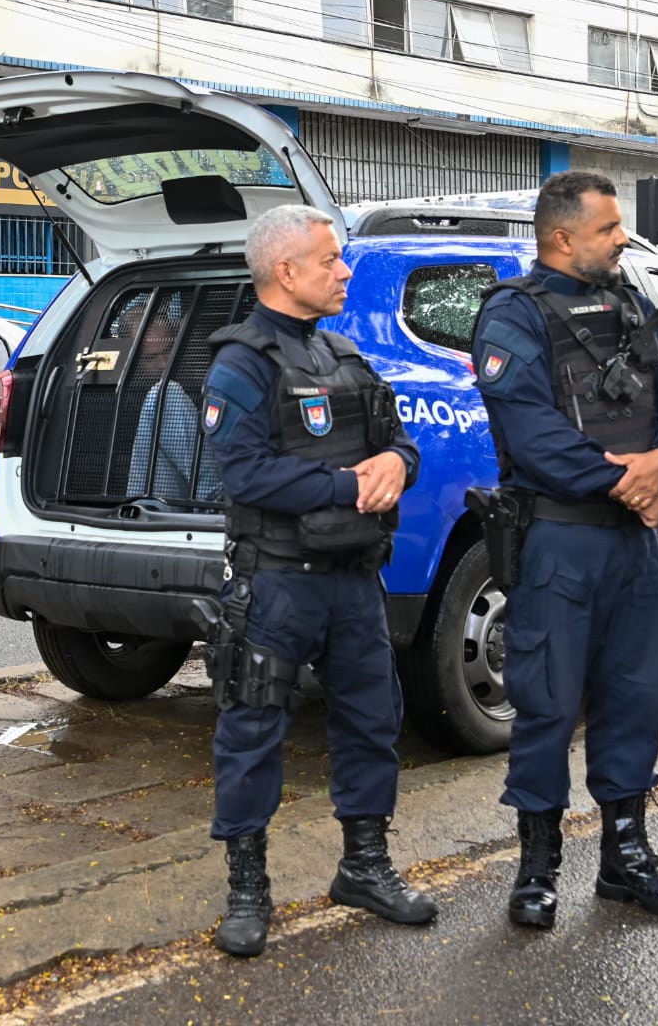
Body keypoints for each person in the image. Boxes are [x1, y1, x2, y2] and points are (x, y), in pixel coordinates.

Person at [471, 170, 658, 930]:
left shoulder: (636, 302)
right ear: (563, 237)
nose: (622, 239)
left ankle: (627, 858)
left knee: (635, 701)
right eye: (609, 229)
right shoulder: (513, 316)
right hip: (559, 542)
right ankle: (537, 865)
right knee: (544, 704)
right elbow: (533, 436)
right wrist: (632, 482)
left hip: (634, 548)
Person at [199, 204, 436, 957]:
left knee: (371, 722)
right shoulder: (239, 364)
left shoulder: (345, 355)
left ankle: (364, 868)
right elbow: (244, 473)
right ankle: (247, 890)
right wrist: (349, 487)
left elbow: (398, 440)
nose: (344, 271)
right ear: (286, 272)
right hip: (277, 585)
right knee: (252, 728)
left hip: (354, 580)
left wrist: (399, 463)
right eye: (330, 260)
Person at [127, 305, 220, 502]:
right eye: (151, 358)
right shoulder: (117, 399)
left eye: (168, 351)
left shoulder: (199, 383)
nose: (163, 363)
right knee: (164, 394)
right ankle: (214, 500)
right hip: (154, 510)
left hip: (181, 506)